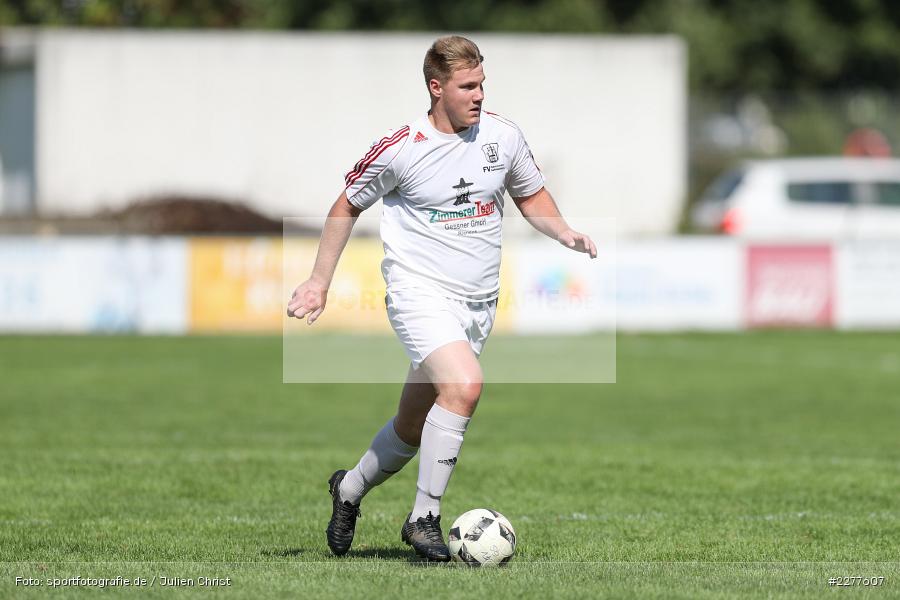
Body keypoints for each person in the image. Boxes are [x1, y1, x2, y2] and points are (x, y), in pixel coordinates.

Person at [287, 35, 596, 562]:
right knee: (465, 385)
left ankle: (349, 490)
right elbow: (346, 204)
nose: (478, 95)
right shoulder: (403, 147)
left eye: (482, 84)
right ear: (437, 87)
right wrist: (319, 280)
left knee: (411, 426)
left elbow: (529, 194)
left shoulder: (502, 136)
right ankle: (423, 518)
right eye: (467, 86)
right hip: (418, 293)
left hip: (477, 305)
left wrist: (564, 231)